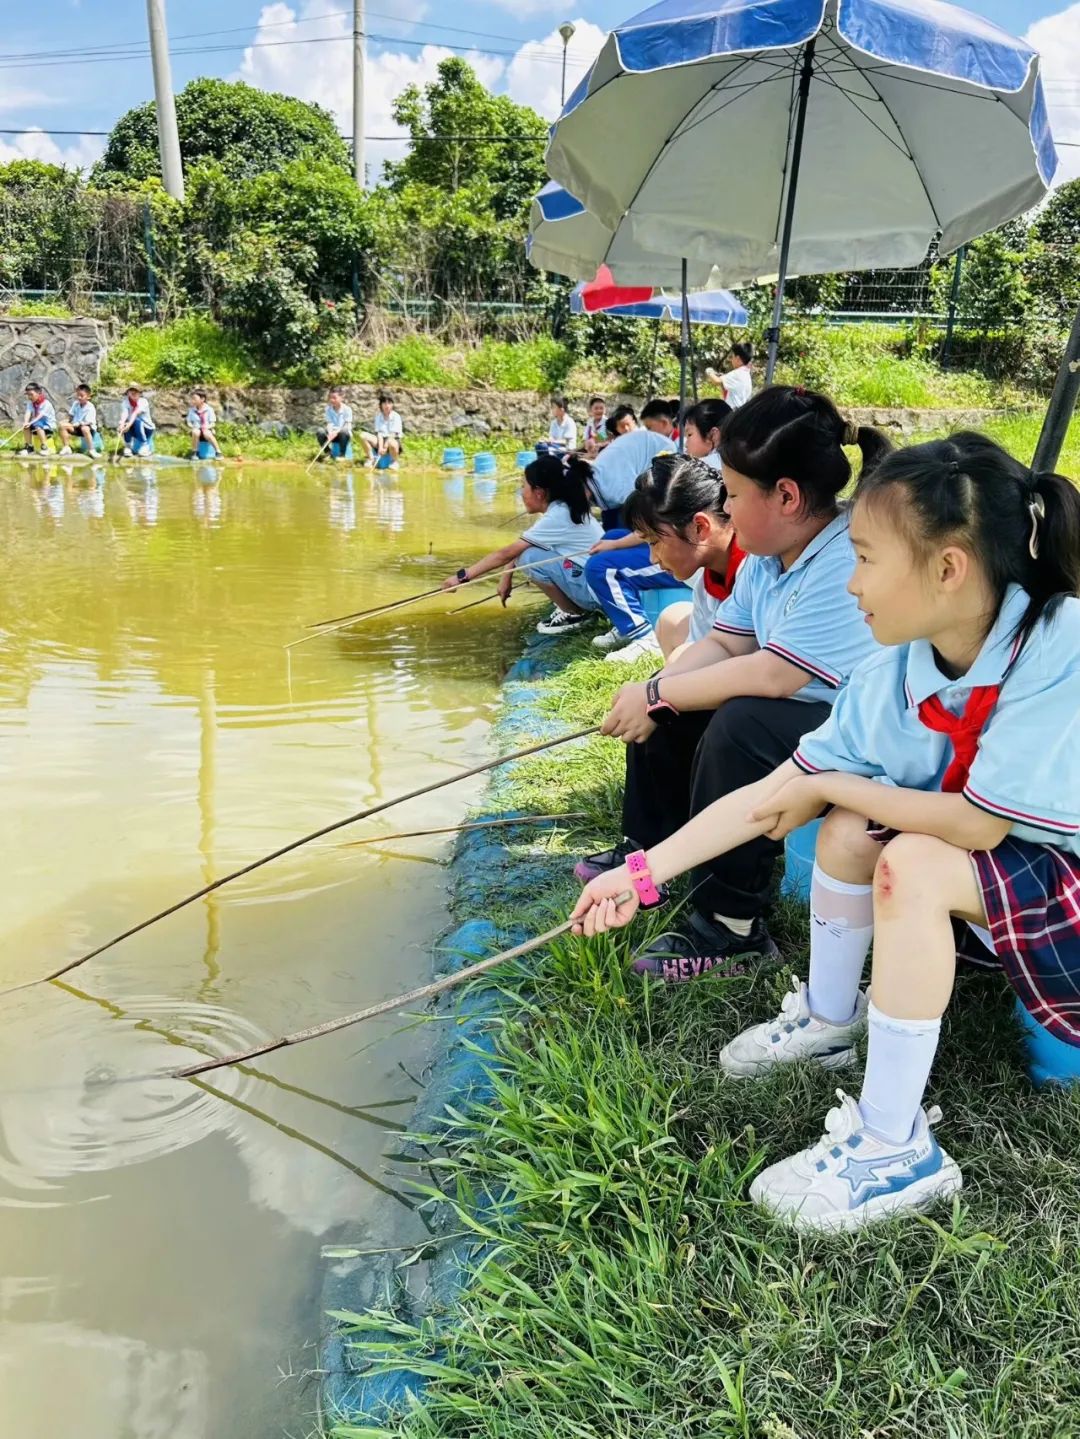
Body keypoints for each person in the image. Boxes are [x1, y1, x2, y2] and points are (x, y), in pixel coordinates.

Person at [573, 431, 1080, 1233]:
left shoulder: (1061, 644)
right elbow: (774, 794)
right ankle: (832, 1019)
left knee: (906, 857)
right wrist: (641, 874)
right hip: (1005, 869)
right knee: (849, 830)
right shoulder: (896, 673)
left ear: (948, 569)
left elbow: (979, 824)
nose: (851, 583)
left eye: (869, 558)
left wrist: (836, 782)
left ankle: (895, 1145)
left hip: (1063, 880)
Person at [576, 387, 891, 973]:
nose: (728, 508)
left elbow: (775, 675)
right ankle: (645, 864)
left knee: (742, 723)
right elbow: (724, 643)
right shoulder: (769, 556)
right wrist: (655, 691)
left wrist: (659, 691)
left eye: (737, 494)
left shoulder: (844, 555)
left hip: (865, 732)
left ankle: (732, 927)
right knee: (673, 699)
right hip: (805, 711)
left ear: (788, 497)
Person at [584, 400, 731, 664]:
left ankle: (640, 634)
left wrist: (656, 692)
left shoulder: (754, 574)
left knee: (602, 565)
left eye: (689, 435)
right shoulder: (708, 583)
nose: (685, 443)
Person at [442, 452, 603, 636]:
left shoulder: (557, 516)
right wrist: (506, 577)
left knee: (528, 558)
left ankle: (574, 614)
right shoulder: (562, 508)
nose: (521, 493)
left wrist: (461, 578)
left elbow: (506, 553)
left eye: (523, 487)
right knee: (526, 553)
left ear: (539, 493)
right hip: (597, 584)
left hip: (597, 593)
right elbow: (518, 549)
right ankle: (574, 608)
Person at [706, 342, 754, 410]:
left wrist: (709, 371)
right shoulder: (746, 374)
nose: (731, 359)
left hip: (731, 413)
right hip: (739, 412)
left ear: (738, 359)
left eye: (732, 356)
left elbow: (716, 381)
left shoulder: (737, 373)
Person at [59, 384, 101, 456]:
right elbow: (71, 416)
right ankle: (66, 447)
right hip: (76, 427)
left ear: (88, 397)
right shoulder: (75, 404)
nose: (79, 397)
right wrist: (66, 422)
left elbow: (89, 422)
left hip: (88, 428)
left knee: (85, 428)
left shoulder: (90, 407)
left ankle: (92, 450)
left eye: (82, 396)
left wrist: (79, 424)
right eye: (78, 395)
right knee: (63, 426)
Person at [18, 382, 57, 455]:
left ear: (39, 393)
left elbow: (40, 416)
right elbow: (28, 412)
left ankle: (45, 447)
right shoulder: (30, 403)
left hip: (48, 426)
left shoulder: (46, 404)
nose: (29, 397)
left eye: (31, 394)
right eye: (28, 395)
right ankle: (29, 447)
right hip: (36, 424)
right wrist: (26, 422)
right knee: (26, 427)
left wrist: (30, 422)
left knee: (37, 424)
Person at [316, 387, 353, 461]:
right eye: (330, 397)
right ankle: (328, 452)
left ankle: (342, 455)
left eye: (334, 398)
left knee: (344, 431)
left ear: (341, 397)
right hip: (332, 434)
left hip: (343, 435)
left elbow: (347, 425)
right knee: (320, 431)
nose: (332, 400)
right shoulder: (328, 409)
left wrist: (336, 432)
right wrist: (330, 433)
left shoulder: (347, 409)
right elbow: (329, 423)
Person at [118, 385, 155, 457]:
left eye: (136, 391)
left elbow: (135, 414)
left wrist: (128, 425)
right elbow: (124, 414)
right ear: (128, 393)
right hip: (133, 427)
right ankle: (128, 446)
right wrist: (121, 424)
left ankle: (145, 446)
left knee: (136, 421)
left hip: (146, 428)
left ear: (140, 393)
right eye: (131, 391)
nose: (133, 393)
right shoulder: (125, 403)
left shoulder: (143, 402)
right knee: (125, 424)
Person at [369, 392, 403, 467]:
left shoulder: (396, 416)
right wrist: (380, 447)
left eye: (389, 403)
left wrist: (385, 447)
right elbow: (379, 434)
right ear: (381, 405)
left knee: (392, 443)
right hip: (382, 440)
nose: (387, 405)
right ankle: (371, 459)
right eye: (384, 403)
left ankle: (394, 461)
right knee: (364, 436)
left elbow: (393, 434)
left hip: (393, 440)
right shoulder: (378, 417)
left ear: (392, 404)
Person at [186, 389, 222, 459]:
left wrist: (207, 427)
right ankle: (194, 452)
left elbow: (213, 423)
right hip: (196, 429)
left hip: (207, 429)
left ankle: (218, 452)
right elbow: (189, 421)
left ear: (202, 399)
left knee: (206, 433)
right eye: (192, 399)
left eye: (195, 399)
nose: (193, 401)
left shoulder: (209, 409)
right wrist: (192, 426)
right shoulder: (192, 410)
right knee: (195, 432)